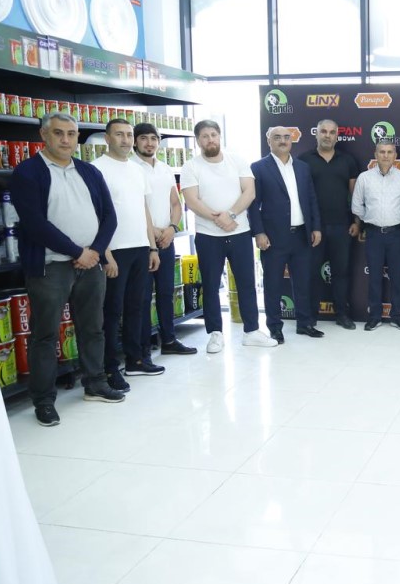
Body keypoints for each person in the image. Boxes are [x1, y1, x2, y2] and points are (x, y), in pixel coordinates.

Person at [10, 112, 124, 426]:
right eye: (58, 133)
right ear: (44, 135)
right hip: (50, 267)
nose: (65, 139)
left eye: (71, 134)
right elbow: (35, 224)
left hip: (91, 264)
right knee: (45, 335)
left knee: (93, 327)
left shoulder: (88, 171)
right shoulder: (27, 172)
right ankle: (44, 400)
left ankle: (95, 383)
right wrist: (78, 252)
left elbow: (109, 217)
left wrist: (95, 252)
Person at [180, 119, 277, 353]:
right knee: (211, 285)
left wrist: (231, 214)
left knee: (247, 283)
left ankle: (252, 331)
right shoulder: (191, 166)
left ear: (219, 136)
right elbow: (191, 200)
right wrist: (218, 218)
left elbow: (249, 192)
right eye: (205, 136)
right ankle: (215, 334)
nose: (210, 140)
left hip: (239, 232)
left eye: (213, 135)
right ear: (198, 140)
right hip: (207, 235)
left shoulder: (237, 161)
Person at [92, 118, 162, 390]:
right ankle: (110, 368)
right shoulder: (97, 169)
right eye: (119, 134)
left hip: (140, 247)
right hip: (114, 250)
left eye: (129, 135)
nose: (125, 140)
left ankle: (135, 360)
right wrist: (105, 253)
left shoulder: (136, 169)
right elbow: (95, 215)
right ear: (107, 138)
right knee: (112, 311)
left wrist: (152, 247)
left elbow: (143, 209)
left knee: (136, 307)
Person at [248, 126, 322, 344]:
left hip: (301, 235)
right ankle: (275, 327)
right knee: (273, 284)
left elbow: (311, 199)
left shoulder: (302, 167)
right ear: (268, 141)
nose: (283, 141)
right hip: (273, 237)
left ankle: (305, 323)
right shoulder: (258, 168)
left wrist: (316, 227)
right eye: (277, 137)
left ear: (292, 140)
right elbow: (253, 205)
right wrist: (259, 232)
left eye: (286, 137)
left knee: (303, 282)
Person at [132, 122, 197, 358]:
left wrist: (171, 228)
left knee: (166, 292)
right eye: (143, 138)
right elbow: (134, 206)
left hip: (166, 240)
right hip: (141, 241)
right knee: (141, 297)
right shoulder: (130, 167)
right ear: (135, 141)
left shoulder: (165, 168)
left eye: (153, 138)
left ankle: (169, 339)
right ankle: (142, 348)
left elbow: (176, 204)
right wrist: (153, 231)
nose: (149, 143)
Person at [300, 119, 359, 330]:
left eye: (332, 132)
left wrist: (357, 221)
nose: (327, 135)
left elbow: (355, 195)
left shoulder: (348, 160)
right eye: (323, 131)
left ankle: (342, 314)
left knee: (341, 273)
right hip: (313, 228)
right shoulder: (304, 160)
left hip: (342, 227)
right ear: (316, 133)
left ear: (337, 136)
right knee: (312, 273)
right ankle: (310, 317)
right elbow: (299, 195)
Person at [351, 139, 400, 331]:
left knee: (397, 277)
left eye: (389, 152)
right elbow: (356, 205)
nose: (386, 155)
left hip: (397, 234)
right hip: (373, 234)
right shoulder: (364, 178)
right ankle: (374, 316)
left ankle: (397, 316)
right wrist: (370, 218)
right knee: (374, 277)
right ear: (375, 154)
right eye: (382, 152)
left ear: (395, 155)